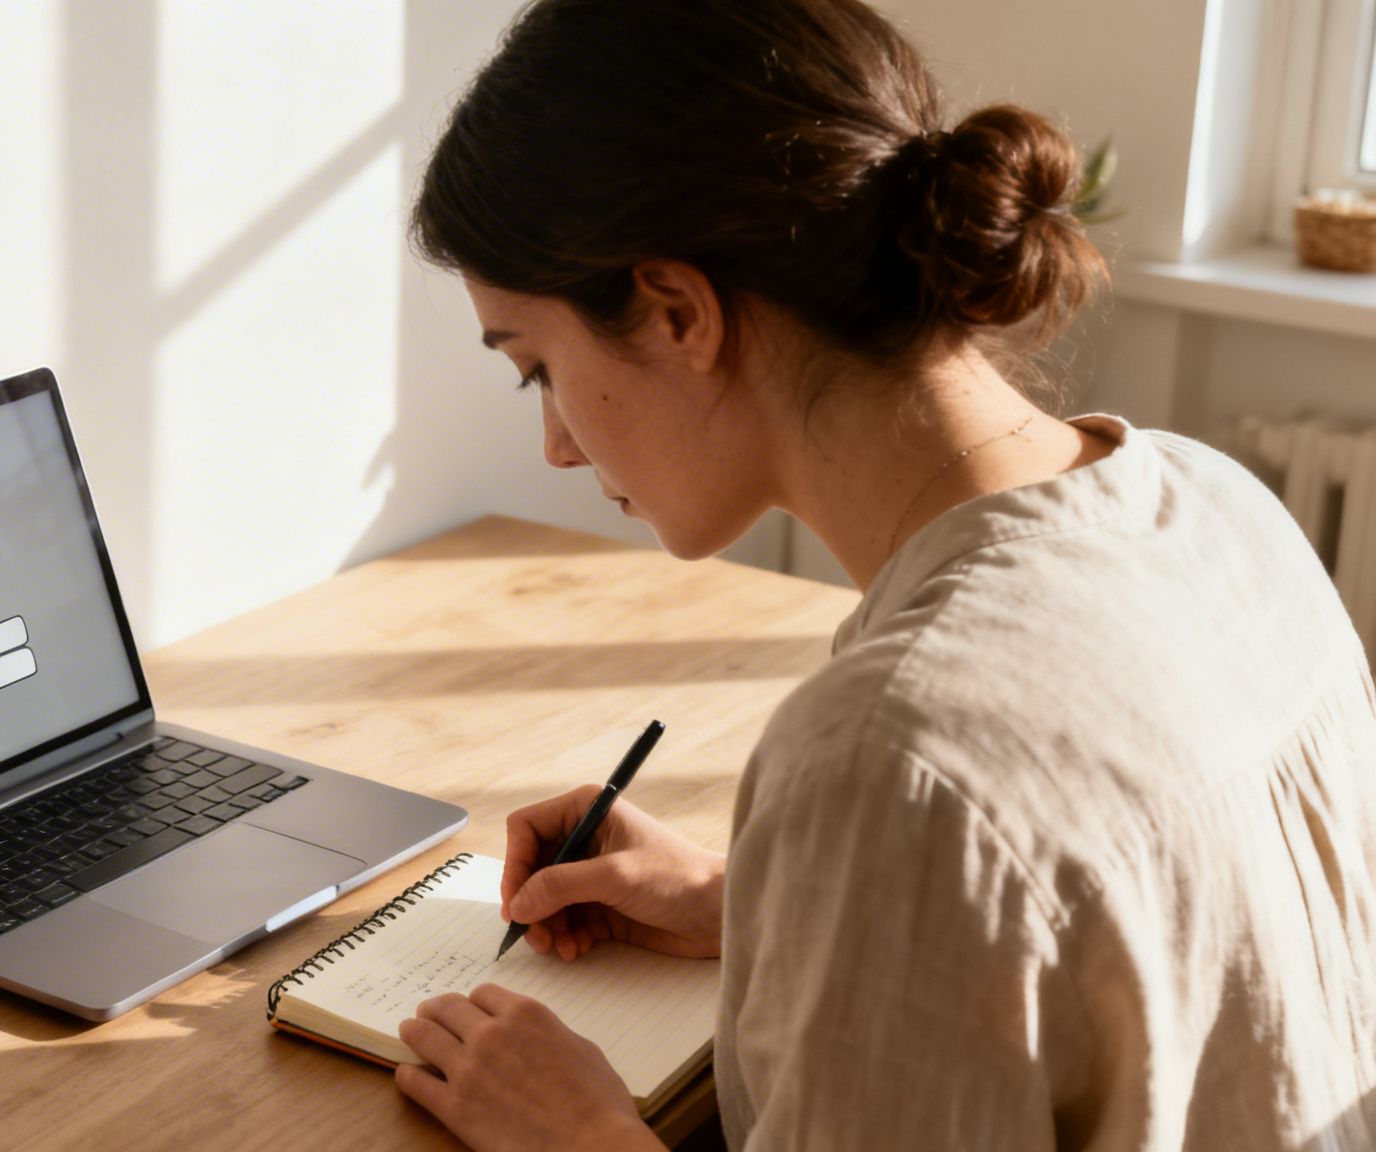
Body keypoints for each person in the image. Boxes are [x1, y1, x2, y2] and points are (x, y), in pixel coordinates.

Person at [391, 0, 1376, 1149]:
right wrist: (762, 903)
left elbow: (943, 800)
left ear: (674, 312)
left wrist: (579, 1135)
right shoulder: (1209, 501)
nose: (557, 442)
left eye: (537, 370)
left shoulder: (890, 758)